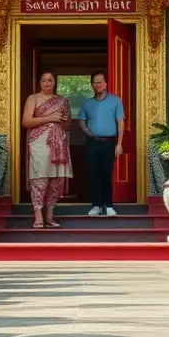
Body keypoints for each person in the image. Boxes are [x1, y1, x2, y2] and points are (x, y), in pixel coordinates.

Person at [22, 71, 73, 227]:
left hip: (59, 143)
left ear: (54, 82)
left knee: (56, 179)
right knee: (40, 178)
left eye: (49, 80)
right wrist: (50, 118)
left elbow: (68, 124)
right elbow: (26, 121)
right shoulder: (33, 98)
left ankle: (50, 215)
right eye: (43, 80)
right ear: (39, 83)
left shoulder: (62, 101)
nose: (46, 83)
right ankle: (38, 215)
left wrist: (60, 124)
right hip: (39, 142)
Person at [77, 72, 124, 216]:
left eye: (101, 82)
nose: (98, 85)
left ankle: (108, 205)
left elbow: (120, 122)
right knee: (93, 173)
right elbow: (81, 120)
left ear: (106, 83)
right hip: (92, 142)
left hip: (109, 142)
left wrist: (119, 144)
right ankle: (96, 205)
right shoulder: (87, 102)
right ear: (92, 85)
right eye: (95, 83)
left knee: (106, 173)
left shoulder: (115, 101)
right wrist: (85, 130)